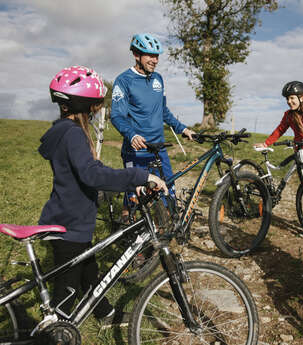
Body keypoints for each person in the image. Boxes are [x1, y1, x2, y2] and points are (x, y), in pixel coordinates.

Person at [39, 65, 168, 321]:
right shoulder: (74, 135)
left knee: (90, 274)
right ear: (85, 106)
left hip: (71, 220)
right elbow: (93, 175)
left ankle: (105, 312)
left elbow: (90, 170)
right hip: (68, 227)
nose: (98, 112)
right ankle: (54, 333)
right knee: (66, 294)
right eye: (95, 107)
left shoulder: (64, 131)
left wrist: (130, 183)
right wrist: (139, 175)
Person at [111, 33, 194, 221]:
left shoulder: (158, 79)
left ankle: (165, 234)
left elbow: (163, 111)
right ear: (136, 55)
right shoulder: (124, 80)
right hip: (136, 151)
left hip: (159, 149)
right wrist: (131, 135)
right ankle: (127, 231)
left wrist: (183, 129)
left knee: (167, 191)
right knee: (135, 198)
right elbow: (116, 115)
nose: (155, 60)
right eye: (150, 55)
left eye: (157, 56)